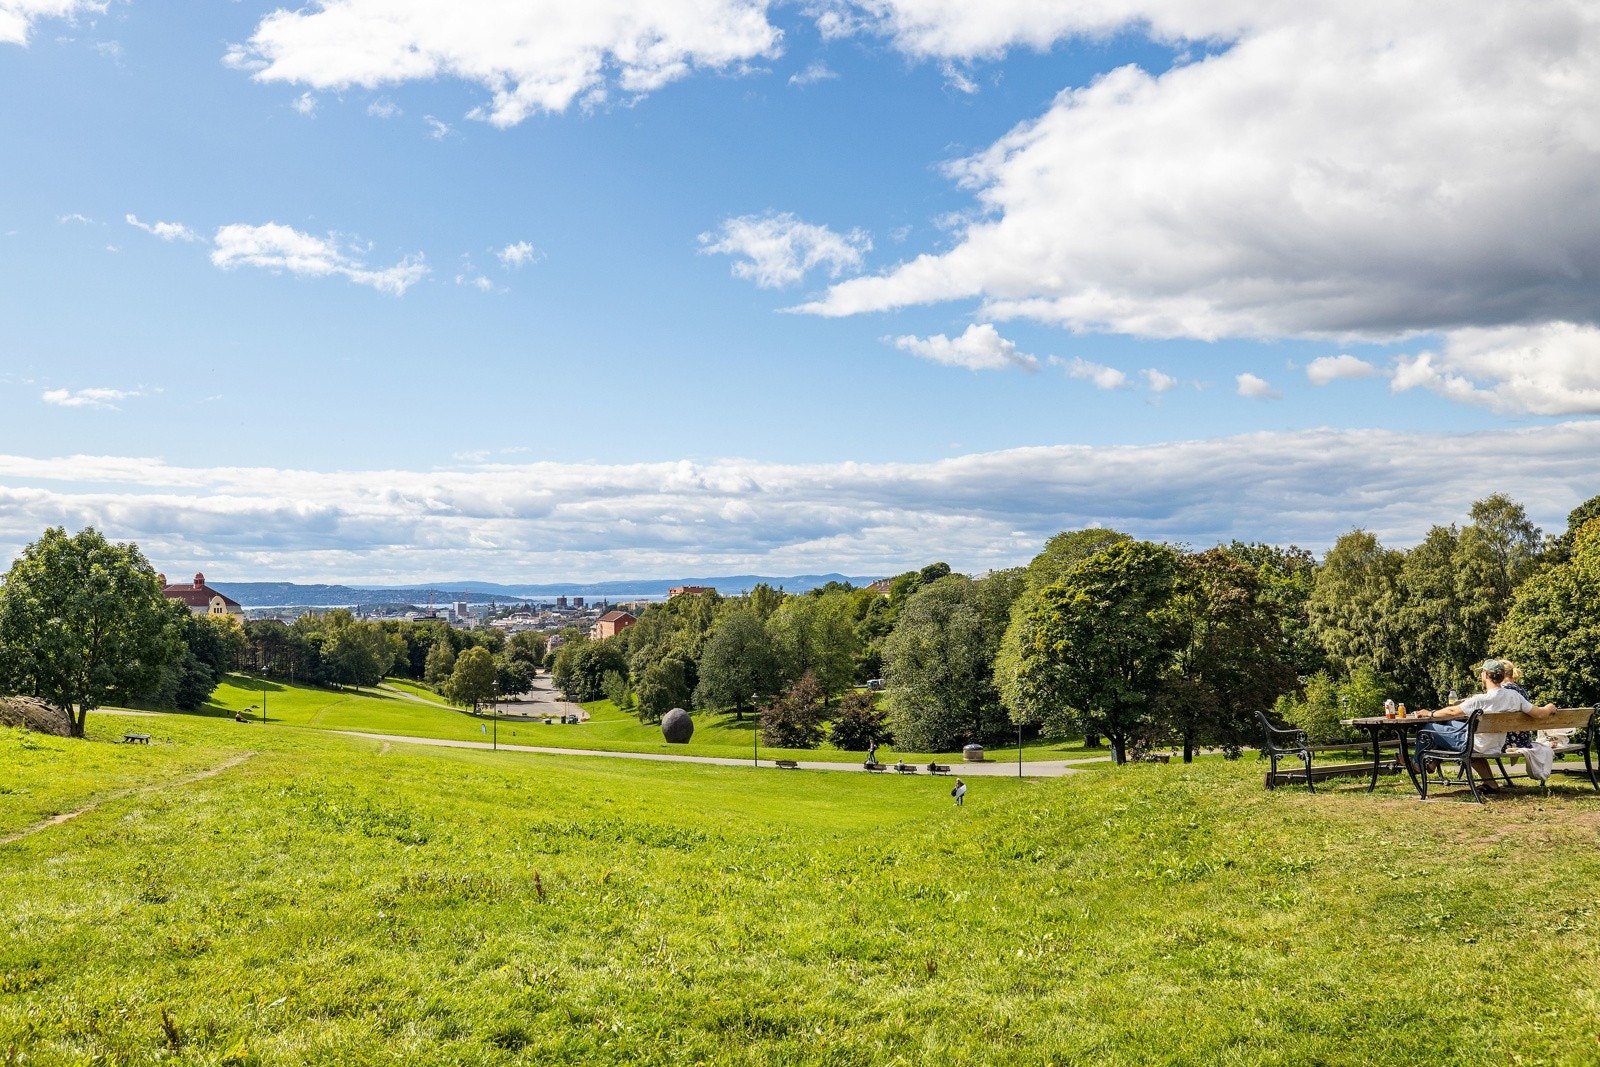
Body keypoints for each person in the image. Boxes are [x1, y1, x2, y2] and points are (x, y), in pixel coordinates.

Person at [1418, 659, 1557, 792]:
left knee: (1428, 728)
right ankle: (1490, 783)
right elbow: (1540, 714)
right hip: (1495, 745)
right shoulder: (1514, 696)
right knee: (1448, 724)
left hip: (1476, 745)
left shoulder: (1480, 700)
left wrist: (1430, 713)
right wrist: (1549, 707)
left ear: (1485, 675)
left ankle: (1417, 765)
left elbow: (1452, 711)